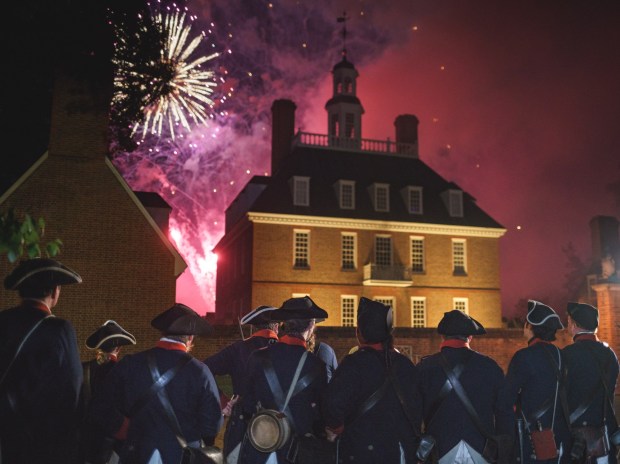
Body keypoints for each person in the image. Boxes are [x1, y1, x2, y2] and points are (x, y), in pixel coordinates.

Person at [88, 303, 223, 463]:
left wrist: (128, 431)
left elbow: (101, 407)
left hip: (136, 452)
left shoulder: (130, 364)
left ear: (162, 332)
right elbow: (211, 426)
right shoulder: (200, 371)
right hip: (182, 456)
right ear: (190, 337)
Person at [0, 257, 83, 463]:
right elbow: (72, 389)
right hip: (36, 440)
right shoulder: (60, 329)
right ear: (55, 292)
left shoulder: (2, 321)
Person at [323, 297, 422, 463]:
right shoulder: (406, 365)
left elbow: (332, 407)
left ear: (359, 333)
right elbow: (417, 410)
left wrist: (340, 428)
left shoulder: (353, 364)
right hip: (400, 453)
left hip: (360, 452)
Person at [239, 296, 328, 464]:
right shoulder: (317, 366)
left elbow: (247, 406)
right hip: (298, 454)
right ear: (311, 326)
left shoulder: (258, 357)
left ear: (283, 325)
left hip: (261, 448)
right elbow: (321, 417)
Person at [417, 310, 514, 464]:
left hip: (439, 450)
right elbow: (505, 413)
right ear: (470, 337)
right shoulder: (489, 366)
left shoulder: (425, 368)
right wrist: (503, 451)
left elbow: (414, 413)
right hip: (481, 449)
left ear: (442, 336)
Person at [204, 305, 280, 463]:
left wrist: (224, 401)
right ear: (276, 326)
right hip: (278, 429)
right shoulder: (285, 351)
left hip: (242, 424)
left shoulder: (238, 349)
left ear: (253, 327)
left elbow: (205, 369)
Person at [506, 300, 570, 463]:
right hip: (557, 435)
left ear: (530, 326)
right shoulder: (560, 356)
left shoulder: (523, 356)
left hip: (530, 437)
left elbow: (507, 398)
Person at [562, 302, 620, 464]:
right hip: (604, 436)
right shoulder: (610, 354)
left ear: (574, 325)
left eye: (568, 321)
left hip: (575, 440)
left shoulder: (567, 355)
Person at [80, 320, 136, 463]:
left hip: (85, 439)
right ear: (118, 348)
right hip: (113, 441)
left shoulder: (83, 368)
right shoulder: (123, 371)